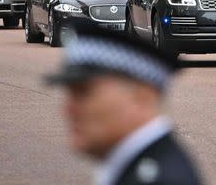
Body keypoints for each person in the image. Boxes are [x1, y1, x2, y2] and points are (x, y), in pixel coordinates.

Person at [45, 20, 202, 185]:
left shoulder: (161, 179)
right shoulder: (144, 167)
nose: (68, 110)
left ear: (143, 97)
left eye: (84, 93)